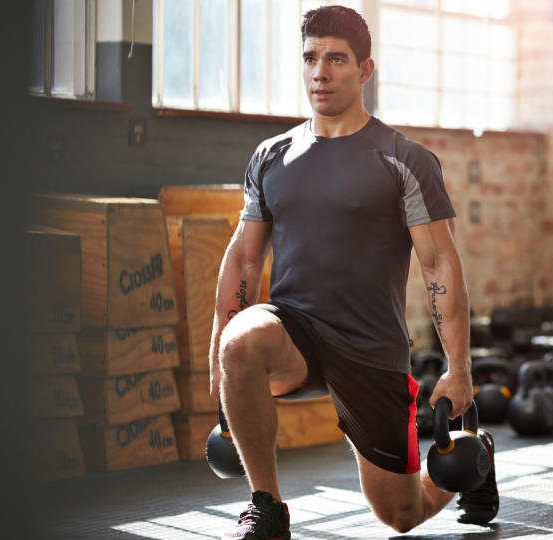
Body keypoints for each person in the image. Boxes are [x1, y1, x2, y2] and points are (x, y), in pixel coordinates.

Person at [208, 5, 498, 539]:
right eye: (310, 57)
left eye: (336, 59)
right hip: (293, 330)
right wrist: (218, 346)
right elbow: (245, 258)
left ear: (365, 70)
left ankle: (473, 463)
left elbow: (439, 265)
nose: (320, 71)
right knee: (240, 342)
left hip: (370, 347)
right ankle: (267, 508)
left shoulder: (404, 159)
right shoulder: (271, 157)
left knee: (400, 515)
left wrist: (459, 368)